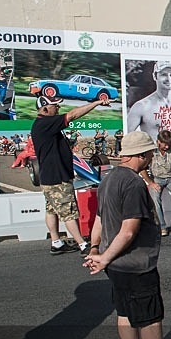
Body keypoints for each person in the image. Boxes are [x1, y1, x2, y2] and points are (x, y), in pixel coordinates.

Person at [83, 131, 171, 339]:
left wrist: (95, 249)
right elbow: (130, 229)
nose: (150, 158)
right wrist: (103, 257)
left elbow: (99, 218)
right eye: (148, 155)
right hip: (135, 262)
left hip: (116, 264)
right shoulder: (133, 184)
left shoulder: (108, 179)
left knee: (124, 312)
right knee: (150, 318)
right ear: (141, 155)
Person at [31, 95, 111, 255]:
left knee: (52, 209)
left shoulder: (41, 125)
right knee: (69, 212)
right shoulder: (46, 123)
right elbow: (73, 115)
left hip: (49, 178)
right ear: (45, 109)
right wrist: (95, 103)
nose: (58, 108)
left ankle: (56, 242)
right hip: (57, 178)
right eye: (55, 106)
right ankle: (83, 245)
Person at [126, 61, 171, 147]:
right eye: (163, 75)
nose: (168, 79)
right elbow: (128, 139)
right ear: (154, 76)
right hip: (154, 158)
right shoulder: (141, 106)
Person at [139, 130, 171, 236]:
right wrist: (150, 182)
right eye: (164, 144)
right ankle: (162, 226)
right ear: (158, 142)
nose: (167, 147)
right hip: (156, 178)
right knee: (155, 200)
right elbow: (142, 168)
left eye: (168, 145)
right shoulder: (151, 150)